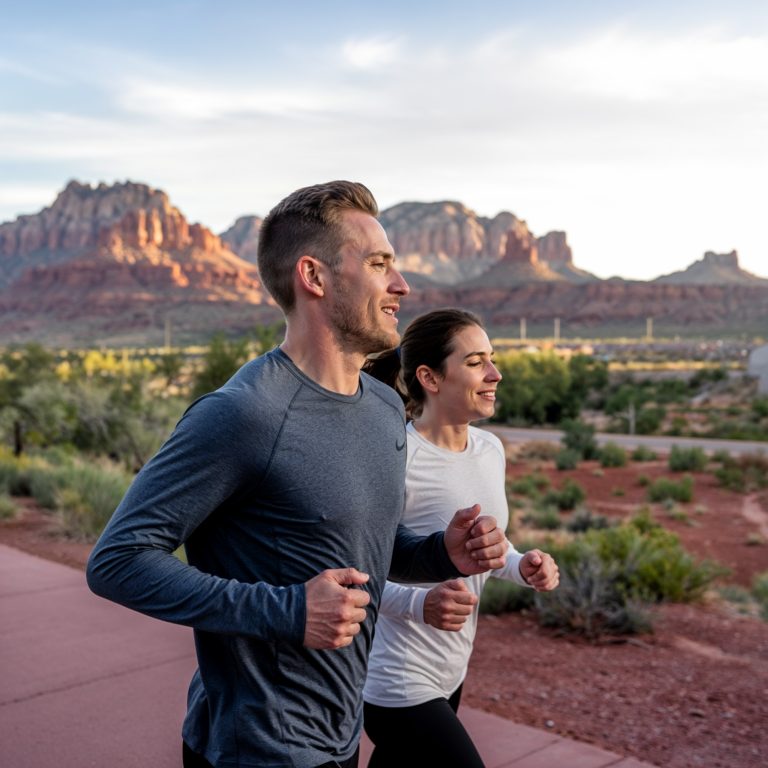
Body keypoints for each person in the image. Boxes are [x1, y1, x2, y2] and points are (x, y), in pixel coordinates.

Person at [86, 182, 511, 768]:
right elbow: (118, 561)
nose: (401, 285)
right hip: (255, 747)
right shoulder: (243, 414)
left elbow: (365, 549)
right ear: (314, 276)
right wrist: (287, 611)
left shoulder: (384, 407)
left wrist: (443, 554)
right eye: (379, 264)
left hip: (341, 733)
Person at [362, 308, 560, 768]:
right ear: (430, 377)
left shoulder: (490, 449)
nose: (496, 373)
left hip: (451, 670)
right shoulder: (398, 457)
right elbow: (355, 569)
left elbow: (493, 546)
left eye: (491, 359)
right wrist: (419, 605)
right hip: (397, 680)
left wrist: (522, 565)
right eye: (476, 363)